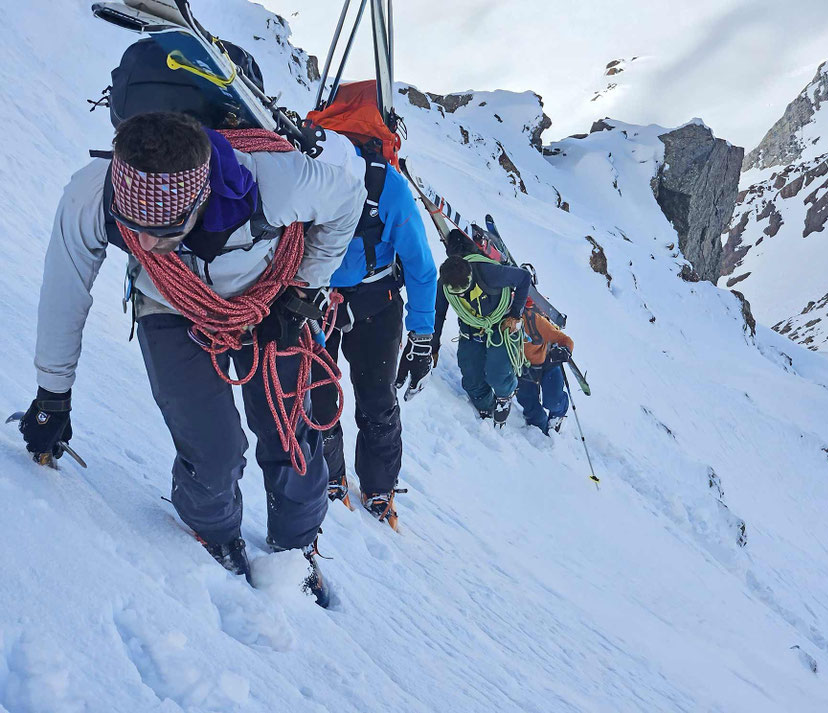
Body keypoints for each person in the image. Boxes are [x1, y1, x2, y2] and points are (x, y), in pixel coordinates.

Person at [18, 112, 366, 606]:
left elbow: (348, 198)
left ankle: (296, 547)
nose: (143, 244)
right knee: (211, 447)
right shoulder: (95, 192)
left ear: (200, 198)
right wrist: (53, 394)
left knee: (290, 432)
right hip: (168, 303)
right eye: (133, 228)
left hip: (271, 296)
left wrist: (303, 291)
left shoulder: (278, 182)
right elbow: (65, 286)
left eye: (162, 231)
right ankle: (215, 534)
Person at [311, 146, 437, 530]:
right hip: (320, 296)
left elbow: (420, 265)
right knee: (326, 395)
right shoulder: (307, 170)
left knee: (368, 398)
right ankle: (342, 479)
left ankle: (368, 484)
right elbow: (420, 265)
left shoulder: (386, 186)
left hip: (367, 300)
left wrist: (422, 335)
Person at [433, 252, 532, 427]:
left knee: (497, 373)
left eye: (464, 290)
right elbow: (438, 313)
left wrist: (515, 314)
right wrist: (433, 347)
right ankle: (486, 406)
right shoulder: (444, 284)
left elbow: (524, 277)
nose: (461, 296)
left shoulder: (490, 273)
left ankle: (504, 396)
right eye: (457, 293)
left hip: (501, 324)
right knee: (471, 377)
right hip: (471, 327)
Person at [518, 298, 574, 434]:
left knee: (554, 401)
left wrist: (565, 350)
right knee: (532, 411)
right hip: (523, 370)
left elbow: (565, 340)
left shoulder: (534, 320)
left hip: (547, 362)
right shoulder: (499, 320)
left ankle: (558, 415)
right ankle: (540, 432)